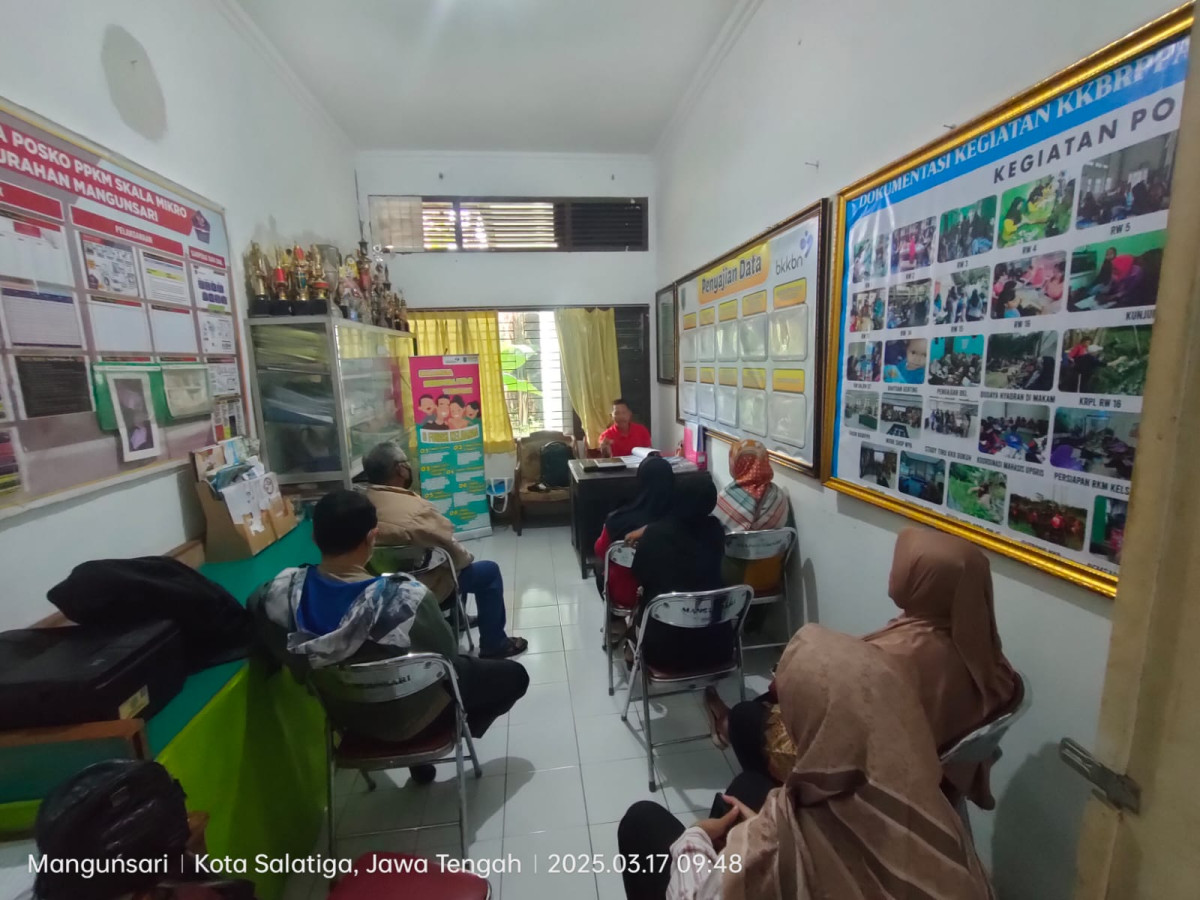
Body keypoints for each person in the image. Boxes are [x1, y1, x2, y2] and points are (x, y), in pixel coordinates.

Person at [618, 625, 994, 900]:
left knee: (642, 822)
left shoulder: (770, 845)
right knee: (748, 787)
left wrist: (695, 839)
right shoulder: (946, 823)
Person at [712, 528, 1018, 811]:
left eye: (904, 567)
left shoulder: (904, 655)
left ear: (923, 580)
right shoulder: (983, 651)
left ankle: (779, 808)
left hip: (868, 782)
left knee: (746, 722)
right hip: (922, 772)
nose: (894, 573)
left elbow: (847, 716)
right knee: (755, 710)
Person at [248, 490, 529, 784]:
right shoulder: (404, 600)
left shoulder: (279, 597)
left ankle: (412, 758)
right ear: (373, 537)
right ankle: (433, 739)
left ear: (315, 539)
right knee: (513, 676)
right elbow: (446, 656)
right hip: (415, 714)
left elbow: (259, 615)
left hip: (348, 718)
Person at [363, 441, 528, 659]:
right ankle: (494, 644)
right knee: (486, 571)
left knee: (445, 568)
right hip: (422, 589)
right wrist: (465, 559)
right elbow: (453, 555)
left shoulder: (359, 502)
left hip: (378, 588)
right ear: (400, 469)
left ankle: (458, 619)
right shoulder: (416, 510)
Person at [629, 478, 731, 672]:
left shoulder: (656, 534)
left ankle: (630, 645)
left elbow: (640, 575)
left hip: (664, 652)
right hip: (716, 649)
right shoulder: (716, 531)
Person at [595, 456, 674, 615]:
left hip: (630, 594)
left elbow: (600, 551)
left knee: (600, 572)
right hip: (672, 595)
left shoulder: (617, 519)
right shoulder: (679, 520)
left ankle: (617, 626)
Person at [714, 440, 789, 532]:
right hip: (773, 545)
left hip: (735, 546)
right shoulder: (780, 496)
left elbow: (715, 532)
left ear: (737, 464)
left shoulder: (727, 496)